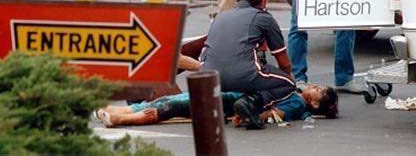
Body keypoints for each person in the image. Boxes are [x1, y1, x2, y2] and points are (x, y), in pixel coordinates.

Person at [200, 0, 296, 128]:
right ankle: (251, 103)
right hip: (241, 75)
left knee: (246, 69)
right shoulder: (263, 18)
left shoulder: (220, 16)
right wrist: (288, 78)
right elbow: (283, 61)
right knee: (289, 84)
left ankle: (227, 104)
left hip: (208, 76)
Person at [95, 83, 338, 128]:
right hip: (232, 94)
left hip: (232, 102)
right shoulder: (294, 91)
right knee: (176, 101)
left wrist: (249, 117)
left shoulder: (296, 102)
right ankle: (120, 110)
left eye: (317, 90)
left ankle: (121, 119)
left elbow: (275, 114)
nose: (313, 86)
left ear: (315, 103)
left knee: (176, 106)